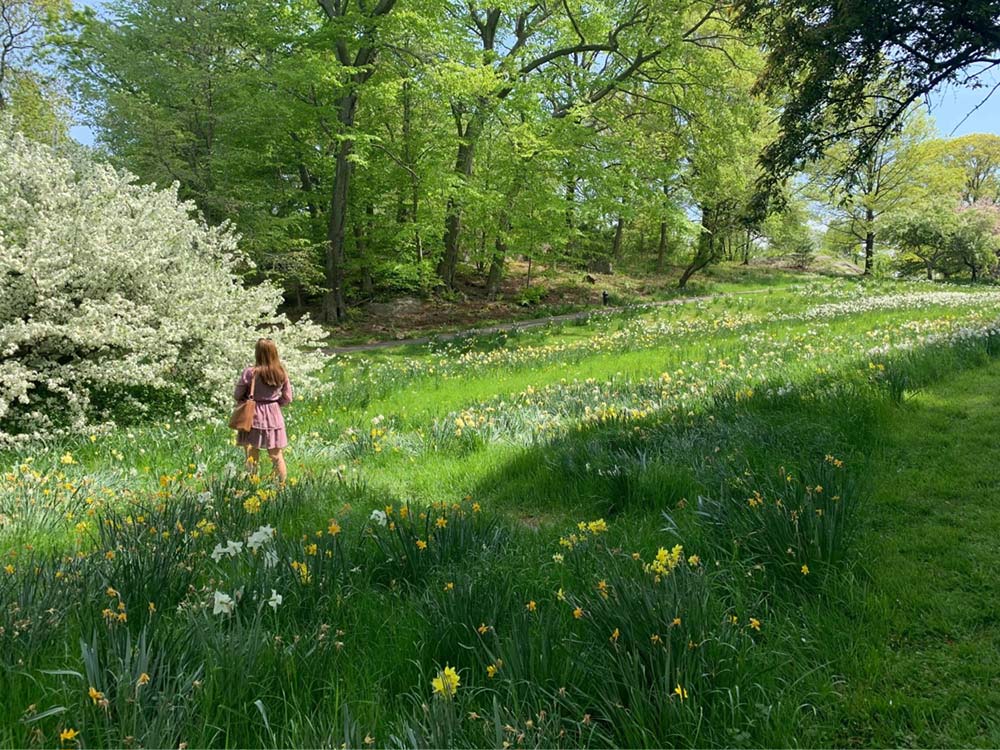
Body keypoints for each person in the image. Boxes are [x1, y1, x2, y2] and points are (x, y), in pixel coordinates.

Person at [234, 338, 293, 483]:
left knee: (252, 452)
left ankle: (252, 483)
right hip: (274, 415)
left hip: (253, 415)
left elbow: (237, 395)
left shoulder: (250, 372)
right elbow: (288, 397)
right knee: (276, 455)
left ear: (257, 353)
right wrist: (274, 403)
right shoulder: (281, 372)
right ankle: (282, 486)